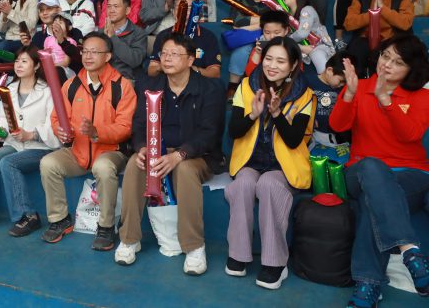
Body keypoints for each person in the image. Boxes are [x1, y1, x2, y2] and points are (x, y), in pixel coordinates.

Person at [330, 35, 429, 307]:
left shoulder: (423, 97)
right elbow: (338, 126)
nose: (387, 65)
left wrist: (386, 99)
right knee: (373, 168)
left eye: (398, 62)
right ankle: (411, 251)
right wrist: (349, 94)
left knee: (371, 200)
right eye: (386, 56)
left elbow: (410, 135)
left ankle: (368, 285)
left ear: (411, 69)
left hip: (411, 175)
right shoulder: (359, 87)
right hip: (362, 170)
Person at [115, 33, 225, 274]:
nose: (167, 58)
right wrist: (142, 147)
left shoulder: (210, 89)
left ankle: (194, 247)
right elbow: (139, 124)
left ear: (190, 60)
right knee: (135, 163)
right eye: (163, 53)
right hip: (158, 149)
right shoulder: (149, 85)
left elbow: (210, 133)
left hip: (197, 155)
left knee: (184, 170)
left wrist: (180, 154)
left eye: (175, 54)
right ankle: (129, 239)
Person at [225, 36, 314, 289]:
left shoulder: (305, 95)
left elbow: (294, 140)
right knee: (243, 184)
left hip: (284, 166)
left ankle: (275, 263)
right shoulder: (246, 86)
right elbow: (234, 131)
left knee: (268, 185)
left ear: (294, 65)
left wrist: (276, 114)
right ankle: (238, 254)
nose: (272, 66)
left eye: (281, 61)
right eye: (269, 59)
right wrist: (253, 114)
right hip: (250, 161)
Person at [40, 32, 136, 250]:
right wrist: (60, 131)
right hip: (78, 151)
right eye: (85, 51)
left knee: (103, 167)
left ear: (108, 56)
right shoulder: (71, 85)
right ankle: (60, 219)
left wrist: (96, 132)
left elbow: (125, 128)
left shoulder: (122, 86)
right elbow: (57, 117)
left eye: (95, 52)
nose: (88, 56)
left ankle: (106, 226)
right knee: (48, 163)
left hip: (111, 151)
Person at [0, 46, 61, 234]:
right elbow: (4, 119)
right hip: (15, 144)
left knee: (7, 163)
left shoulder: (48, 91)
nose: (18, 65)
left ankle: (29, 215)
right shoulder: (9, 89)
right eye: (17, 61)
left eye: (24, 61)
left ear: (36, 66)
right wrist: (0, 132)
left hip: (40, 147)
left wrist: (32, 134)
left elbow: (54, 125)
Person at [344, 0, 414, 77]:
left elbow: (405, 23)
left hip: (393, 39)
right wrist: (372, 13)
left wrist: (383, 8)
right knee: (357, 49)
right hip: (366, 40)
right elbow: (348, 24)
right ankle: (359, 83)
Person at [226, 0, 277, 93]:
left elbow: (278, 21)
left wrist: (252, 24)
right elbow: (236, 21)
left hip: (268, 36)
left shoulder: (275, 0)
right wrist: (263, 20)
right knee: (243, 49)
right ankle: (233, 86)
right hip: (246, 38)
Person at [147, 0, 221, 79]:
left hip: (197, 82)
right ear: (173, 12)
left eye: (190, 8)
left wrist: (191, 69)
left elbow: (215, 73)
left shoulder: (208, 36)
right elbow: (151, 71)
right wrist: (167, 66)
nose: (185, 13)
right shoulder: (163, 35)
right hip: (168, 81)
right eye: (181, 8)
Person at [303, 52, 352, 163]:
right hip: (310, 135)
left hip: (330, 136)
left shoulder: (341, 90)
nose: (342, 85)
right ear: (329, 70)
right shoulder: (308, 81)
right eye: (341, 80)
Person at [283, 0, 335, 73]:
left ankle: (327, 76)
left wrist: (287, 40)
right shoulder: (288, 14)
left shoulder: (307, 10)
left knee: (317, 54)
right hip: (303, 47)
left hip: (318, 45)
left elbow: (302, 33)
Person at [100, 0, 146, 81]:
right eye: (109, 6)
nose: (111, 10)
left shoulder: (138, 33)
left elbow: (135, 61)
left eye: (116, 6)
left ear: (127, 10)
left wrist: (113, 37)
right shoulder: (101, 32)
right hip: (101, 78)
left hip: (125, 79)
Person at [244, 11, 290, 77]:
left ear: (286, 31)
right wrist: (257, 54)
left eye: (277, 33)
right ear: (262, 31)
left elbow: (297, 74)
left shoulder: (292, 49)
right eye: (267, 33)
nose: (272, 37)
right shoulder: (259, 49)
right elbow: (250, 74)